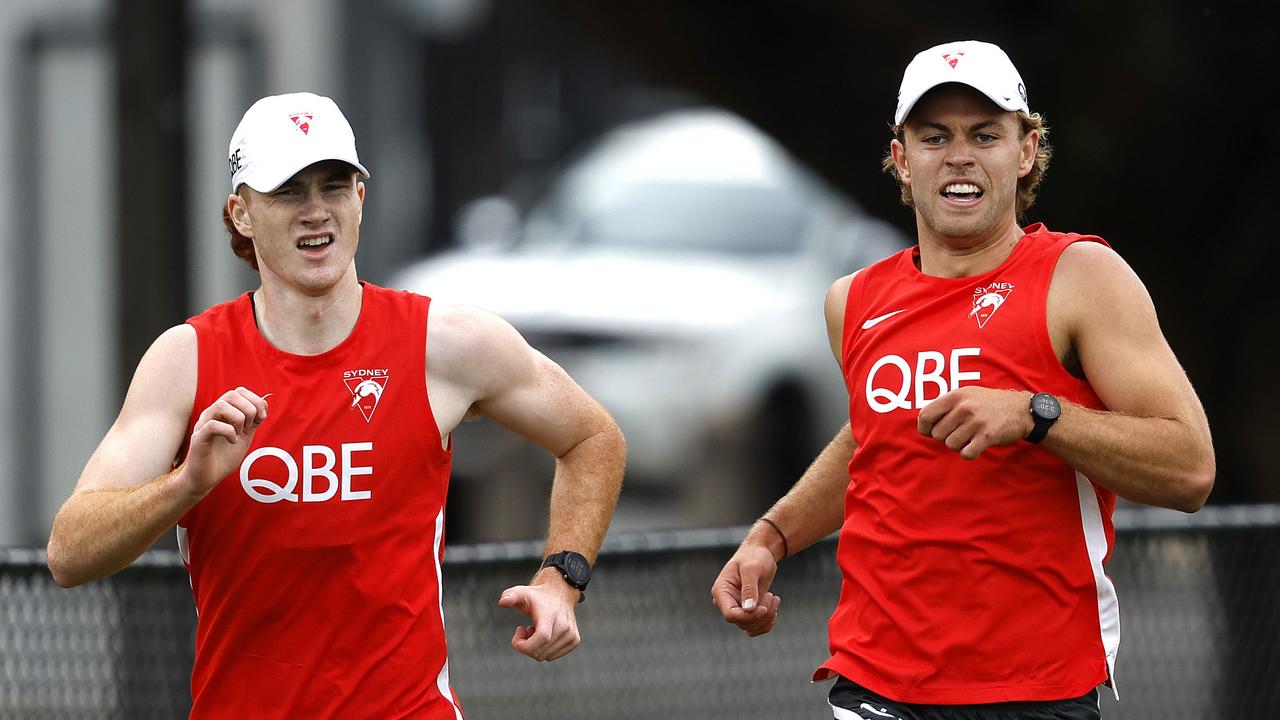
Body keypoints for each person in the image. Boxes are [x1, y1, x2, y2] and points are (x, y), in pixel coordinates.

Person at [46, 92, 625, 718]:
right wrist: (186, 484)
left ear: (361, 199)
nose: (316, 212)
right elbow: (69, 553)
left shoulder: (446, 345)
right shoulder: (186, 360)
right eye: (289, 191)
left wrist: (561, 580)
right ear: (241, 214)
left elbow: (593, 438)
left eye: (334, 186)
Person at [711, 40, 1214, 719]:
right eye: (934, 137)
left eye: (985, 135)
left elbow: (1189, 470)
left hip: (1035, 686)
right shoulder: (852, 301)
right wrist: (771, 537)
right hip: (876, 682)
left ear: (1027, 149)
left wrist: (1038, 415)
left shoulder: (1082, 278)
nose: (959, 157)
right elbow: (873, 437)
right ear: (901, 158)